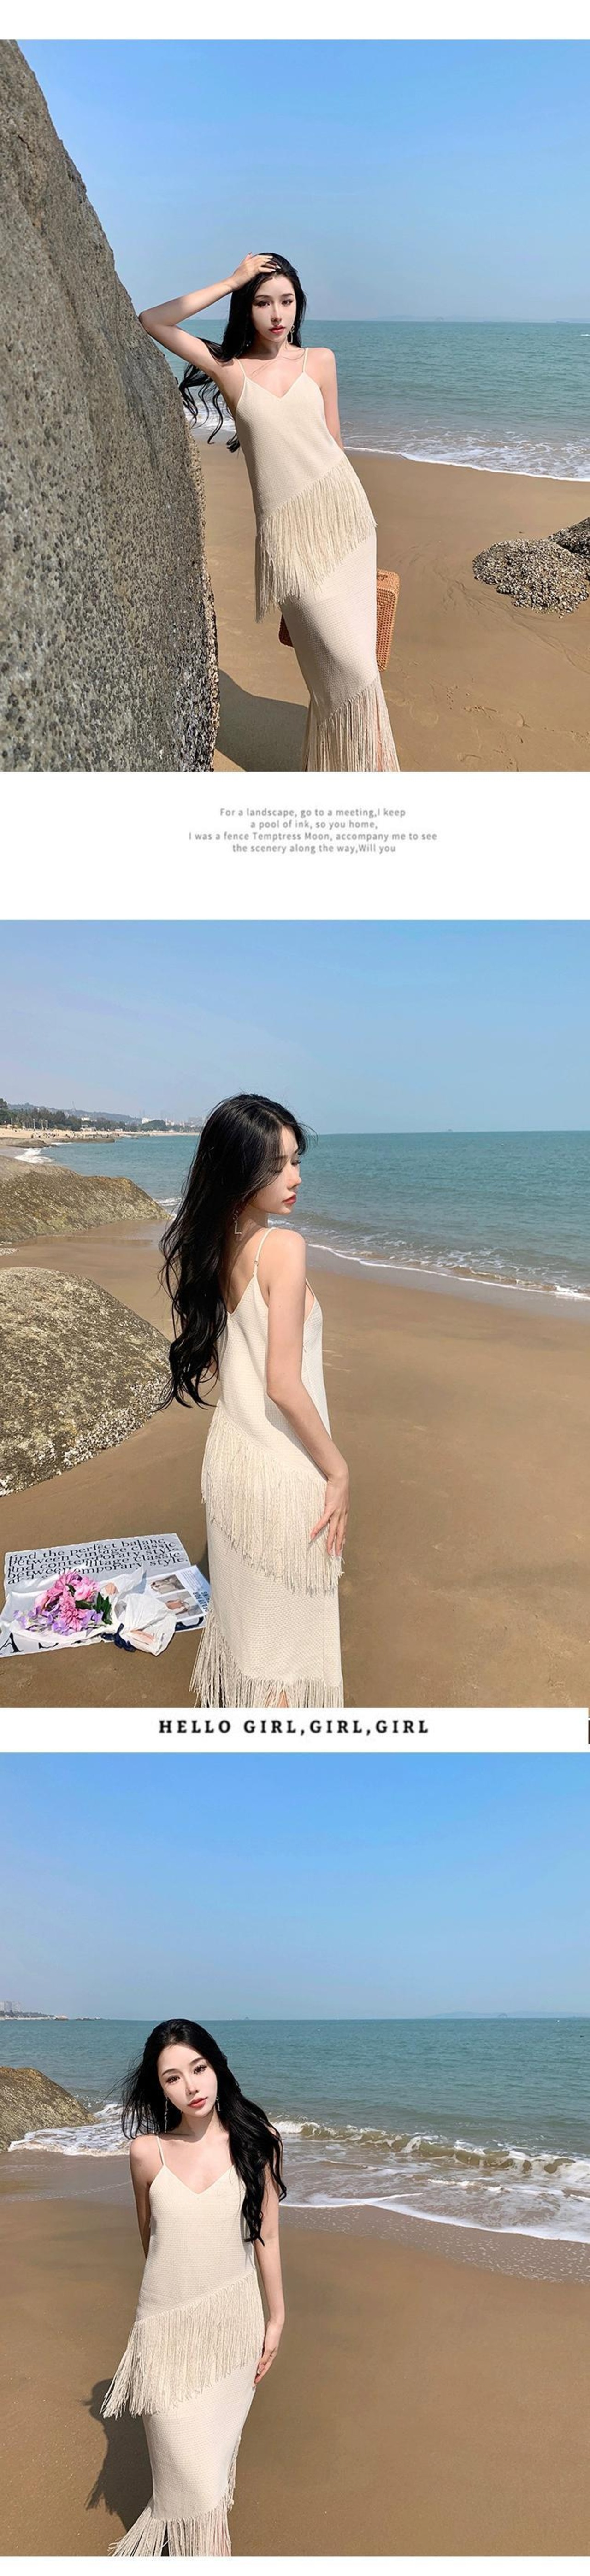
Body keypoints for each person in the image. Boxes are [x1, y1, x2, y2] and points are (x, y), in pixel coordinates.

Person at [139, 253, 399, 773]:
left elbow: (334, 443)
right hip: (288, 539)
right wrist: (231, 280)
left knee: (359, 670)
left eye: (287, 301)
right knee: (342, 669)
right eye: (262, 302)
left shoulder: (320, 361)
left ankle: (360, 776)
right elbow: (154, 320)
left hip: (344, 521)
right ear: (247, 308)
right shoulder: (229, 369)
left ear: (299, 305)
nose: (277, 314)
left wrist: (357, 522)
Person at [161, 1093, 347, 1707]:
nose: (295, 1178)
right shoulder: (282, 1248)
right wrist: (339, 1471)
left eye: (296, 1161)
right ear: (239, 1169)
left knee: (252, 1643)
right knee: (286, 1664)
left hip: (231, 1462)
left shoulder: (216, 1244)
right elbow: (283, 1383)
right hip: (282, 1474)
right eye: (276, 1166)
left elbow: (227, 1355)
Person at [102, 2018, 285, 2556]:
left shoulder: (259, 2143)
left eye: (198, 2068)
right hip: (164, 2338)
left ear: (216, 2065)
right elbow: (151, 2239)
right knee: (194, 2482)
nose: (191, 2086)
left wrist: (276, 2318)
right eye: (173, 2078)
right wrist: (173, 2308)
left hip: (233, 2329)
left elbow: (268, 2235)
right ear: (160, 2089)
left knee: (209, 2473)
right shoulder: (146, 2153)